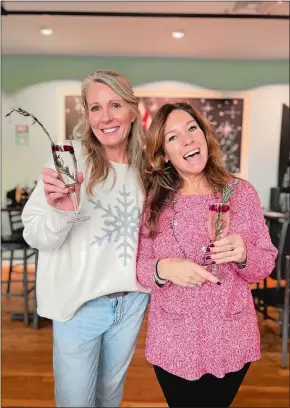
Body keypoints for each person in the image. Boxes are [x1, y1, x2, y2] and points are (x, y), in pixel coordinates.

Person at [22, 69, 150, 407]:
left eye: (115, 105)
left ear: (132, 111)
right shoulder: (70, 158)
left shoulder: (148, 168)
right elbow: (35, 234)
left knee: (109, 397)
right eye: (95, 107)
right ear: (87, 114)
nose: (105, 117)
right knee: (75, 402)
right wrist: (62, 212)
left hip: (130, 302)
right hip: (79, 305)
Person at [136, 102, 277, 407]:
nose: (187, 140)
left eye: (191, 128)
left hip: (229, 335)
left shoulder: (241, 193)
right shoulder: (154, 202)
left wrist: (243, 255)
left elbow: (265, 263)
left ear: (204, 135)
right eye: (173, 137)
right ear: (164, 155)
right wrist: (163, 269)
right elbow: (139, 268)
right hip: (173, 340)